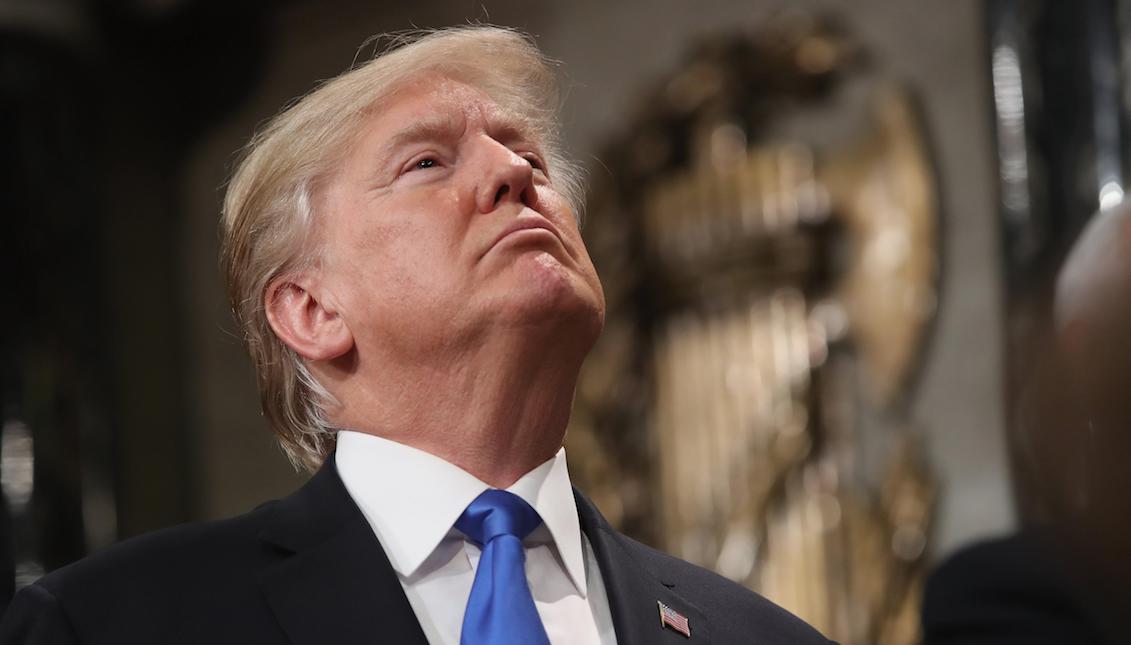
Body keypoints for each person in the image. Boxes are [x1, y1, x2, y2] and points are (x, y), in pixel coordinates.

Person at [0, 26, 833, 644]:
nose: (513, 174)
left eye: (531, 159)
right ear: (312, 311)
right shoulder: (116, 624)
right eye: (427, 163)